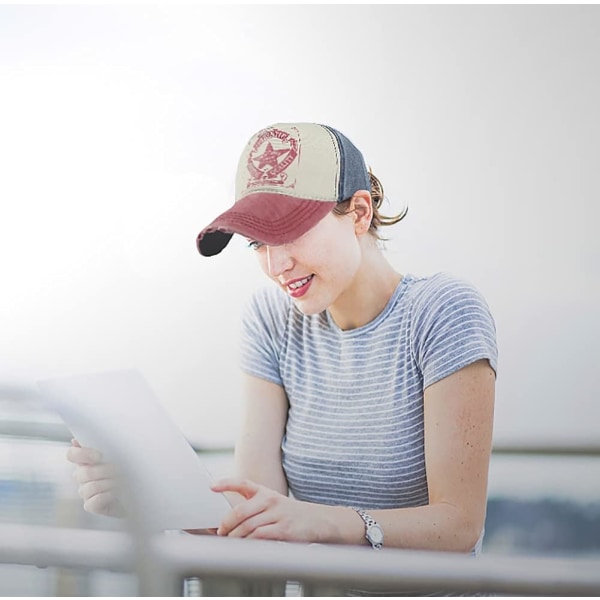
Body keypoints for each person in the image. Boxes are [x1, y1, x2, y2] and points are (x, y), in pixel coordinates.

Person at [67, 122, 497, 592]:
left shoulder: (442, 312)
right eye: (257, 243)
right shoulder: (272, 319)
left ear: (358, 212)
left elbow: (459, 526)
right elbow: (260, 520)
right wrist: (149, 496)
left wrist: (322, 522)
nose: (275, 266)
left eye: (288, 233)